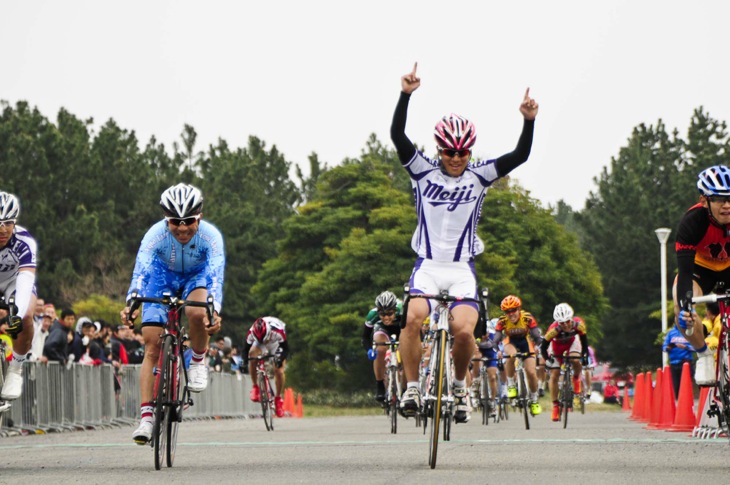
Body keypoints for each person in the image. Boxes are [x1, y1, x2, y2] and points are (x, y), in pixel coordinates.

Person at [391, 63, 538, 423]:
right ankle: (412, 387)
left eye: (462, 153)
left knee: (463, 330)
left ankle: (458, 387)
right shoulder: (422, 171)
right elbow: (397, 135)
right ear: (439, 149)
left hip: (460, 269)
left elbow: (519, 156)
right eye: (449, 152)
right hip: (426, 264)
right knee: (412, 320)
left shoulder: (479, 176)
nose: (456, 159)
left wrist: (528, 121)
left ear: (470, 152)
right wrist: (405, 95)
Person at [120, 183, 225, 445]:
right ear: (166, 219)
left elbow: (214, 276)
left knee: (196, 312)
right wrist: (132, 302)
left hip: (196, 277)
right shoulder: (154, 235)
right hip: (160, 277)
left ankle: (198, 360)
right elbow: (141, 270)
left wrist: (215, 311)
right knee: (152, 346)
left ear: (198, 216)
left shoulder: (211, 236)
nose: (182, 228)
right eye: (174, 221)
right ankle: (146, 417)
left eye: (188, 220)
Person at [674, 165, 730, 386]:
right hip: (701, 269)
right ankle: (704, 355)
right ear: (704, 200)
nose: (727, 205)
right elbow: (685, 271)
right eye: (719, 199)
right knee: (681, 307)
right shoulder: (692, 222)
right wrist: (686, 305)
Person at [0, 192, 38, 403]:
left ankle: (15, 368)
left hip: (14, 283)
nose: (2, 229)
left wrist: (18, 312)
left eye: (8, 223)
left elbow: (25, 280)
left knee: (25, 317)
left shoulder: (24, 241)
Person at [490, 295, 543, 416]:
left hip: (525, 342)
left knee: (531, 372)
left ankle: (534, 400)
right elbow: (497, 337)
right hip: (510, 342)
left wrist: (537, 345)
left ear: (519, 309)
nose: (510, 314)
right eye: (507, 311)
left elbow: (536, 335)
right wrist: (495, 346)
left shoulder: (527, 318)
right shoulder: (502, 321)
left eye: (513, 310)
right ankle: (511, 384)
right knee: (511, 356)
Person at [540, 303, 588, 422]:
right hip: (556, 347)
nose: (566, 325)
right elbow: (543, 347)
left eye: (567, 321)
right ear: (557, 322)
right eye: (562, 323)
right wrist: (547, 359)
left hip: (572, 343)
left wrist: (585, 355)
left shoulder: (578, 325)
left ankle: (576, 377)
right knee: (554, 375)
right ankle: (555, 405)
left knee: (575, 359)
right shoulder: (553, 330)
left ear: (571, 318)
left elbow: (584, 341)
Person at [361, 290, 404, 404]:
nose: (386, 317)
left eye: (389, 313)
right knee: (379, 348)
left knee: (405, 349)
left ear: (395, 310)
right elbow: (365, 337)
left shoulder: (403, 310)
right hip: (382, 330)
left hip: (400, 328)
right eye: (382, 314)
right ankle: (380, 385)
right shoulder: (373, 314)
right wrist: (369, 350)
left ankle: (405, 385)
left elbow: (414, 331)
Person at [244, 317, 289, 418]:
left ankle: (278, 398)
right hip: (258, 343)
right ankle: (255, 387)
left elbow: (285, 349)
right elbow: (245, 351)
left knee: (279, 370)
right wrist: (244, 362)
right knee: (252, 355)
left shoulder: (278, 332)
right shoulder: (251, 333)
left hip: (276, 343)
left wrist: (279, 359)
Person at [476, 318, 501, 417]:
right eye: (483, 333)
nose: (485, 335)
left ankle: (493, 401)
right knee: (476, 357)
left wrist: (499, 352)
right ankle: (476, 382)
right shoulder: (476, 335)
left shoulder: (492, 336)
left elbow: (497, 348)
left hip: (490, 352)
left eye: (486, 333)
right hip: (479, 352)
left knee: (492, 377)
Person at [662, 325, 695, 400]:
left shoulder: (689, 332)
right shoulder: (671, 333)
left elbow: (697, 348)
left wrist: (685, 347)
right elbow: (664, 347)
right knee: (675, 385)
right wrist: (668, 347)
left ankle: (687, 401)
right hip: (674, 363)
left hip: (686, 362)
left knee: (686, 384)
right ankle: (678, 403)